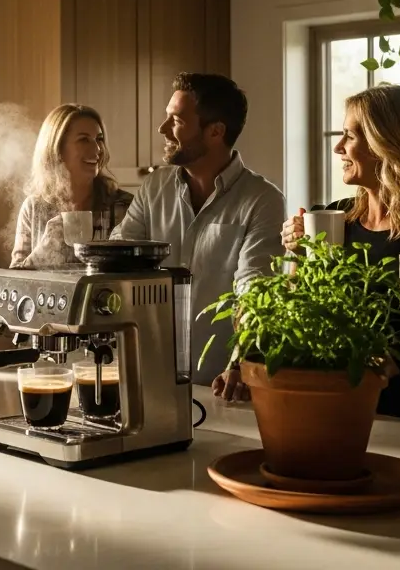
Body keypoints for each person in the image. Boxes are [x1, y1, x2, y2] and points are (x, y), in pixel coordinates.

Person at [281, 84, 400, 420]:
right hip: (329, 406)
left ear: (387, 144)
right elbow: (301, 310)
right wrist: (298, 256)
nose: (338, 147)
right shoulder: (335, 217)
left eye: (350, 136)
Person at [112, 73, 284, 394]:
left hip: (221, 387)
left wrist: (240, 362)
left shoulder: (262, 200)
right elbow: (118, 262)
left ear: (215, 131)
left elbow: (254, 291)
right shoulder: (153, 189)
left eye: (176, 121)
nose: (162, 128)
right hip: (148, 380)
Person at [11, 104, 135, 268]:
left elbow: (139, 272)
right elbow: (13, 278)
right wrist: (46, 247)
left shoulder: (124, 206)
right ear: (57, 149)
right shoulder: (34, 208)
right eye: (83, 140)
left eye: (99, 139)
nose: (97, 149)